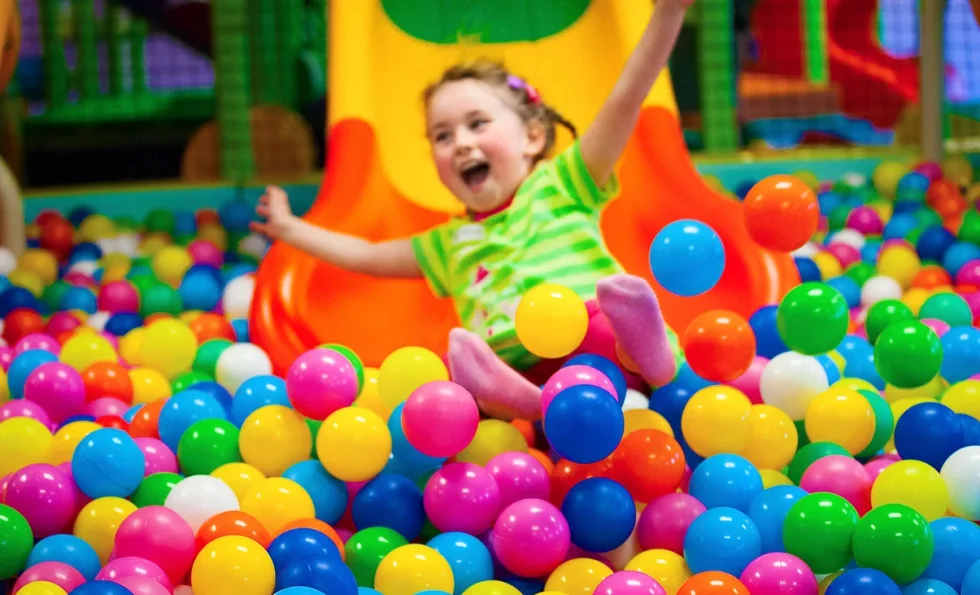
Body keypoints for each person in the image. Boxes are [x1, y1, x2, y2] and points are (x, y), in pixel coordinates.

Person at [253, 0, 694, 420]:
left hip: (594, 341)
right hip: (515, 367)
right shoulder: (449, 244)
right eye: (442, 136)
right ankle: (526, 406)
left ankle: (647, 353)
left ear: (533, 138)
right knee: (458, 378)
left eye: (478, 123)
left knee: (602, 329)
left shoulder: (564, 185)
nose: (461, 142)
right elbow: (366, 255)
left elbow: (624, 101)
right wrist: (291, 229)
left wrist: (669, 14)